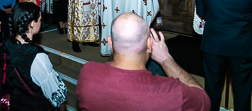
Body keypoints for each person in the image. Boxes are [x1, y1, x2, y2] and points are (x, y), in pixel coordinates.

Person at [77, 13, 210, 110]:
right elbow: (204, 100)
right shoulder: (171, 91)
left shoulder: (87, 74)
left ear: (110, 43)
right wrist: (165, 59)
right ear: (149, 43)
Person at [196, 0, 252, 111]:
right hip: (243, 46)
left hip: (214, 44)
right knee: (242, 89)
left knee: (212, 88)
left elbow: (202, 12)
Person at [0, 2, 67, 110]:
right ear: (32, 23)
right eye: (39, 20)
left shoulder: (6, 45)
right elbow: (56, 96)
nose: (40, 22)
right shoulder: (37, 57)